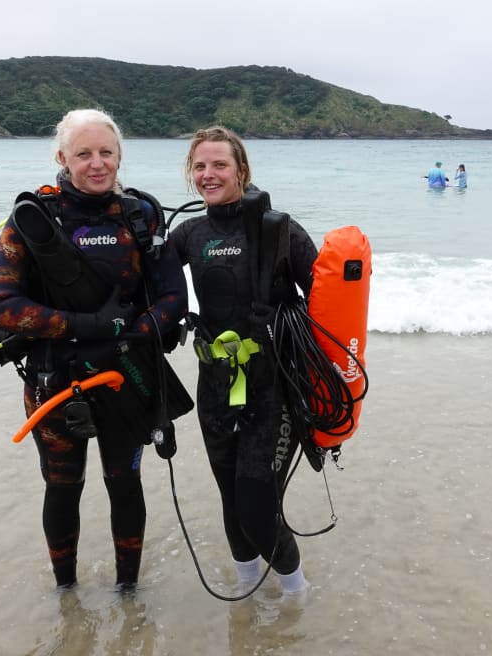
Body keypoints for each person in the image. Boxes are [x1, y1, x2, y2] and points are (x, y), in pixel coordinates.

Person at [0, 108, 188, 591]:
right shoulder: (34, 220)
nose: (97, 164)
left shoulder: (141, 214)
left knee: (125, 484)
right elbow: (2, 307)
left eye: (106, 153)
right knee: (62, 488)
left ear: (119, 156)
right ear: (62, 157)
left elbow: (173, 297)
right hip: (55, 384)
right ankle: (66, 593)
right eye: (83, 154)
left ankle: (128, 592)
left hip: (126, 378)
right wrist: (88, 325)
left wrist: (137, 332)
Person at [168, 126, 319, 595]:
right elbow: (150, 291)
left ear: (242, 170)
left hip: (273, 386)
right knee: (231, 501)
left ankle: (297, 594)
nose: (208, 175)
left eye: (219, 165)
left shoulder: (281, 229)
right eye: (199, 166)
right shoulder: (189, 234)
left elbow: (327, 304)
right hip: (214, 386)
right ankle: (247, 595)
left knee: (256, 503)